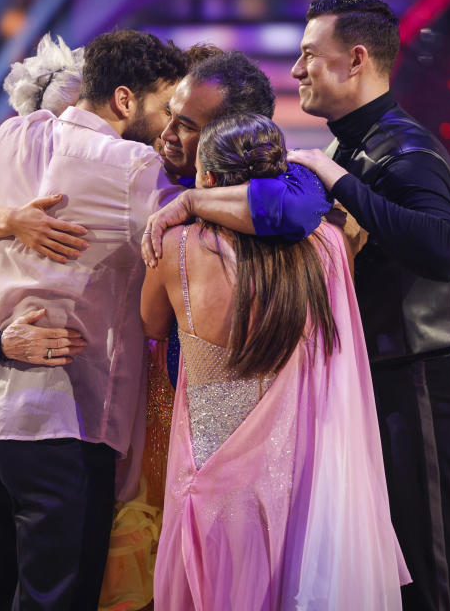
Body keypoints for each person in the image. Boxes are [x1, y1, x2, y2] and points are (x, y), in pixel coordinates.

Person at [0, 35, 330, 610]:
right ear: (125, 100)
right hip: (67, 421)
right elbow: (267, 208)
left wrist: (0, 218)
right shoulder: (136, 169)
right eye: (165, 110)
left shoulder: (15, 135)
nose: (166, 130)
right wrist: (304, 175)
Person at [141, 112, 408, 609]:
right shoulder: (327, 248)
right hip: (298, 484)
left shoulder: (174, 247)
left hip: (207, 476)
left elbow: (152, 327)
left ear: (210, 181)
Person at [285, 0, 450, 611]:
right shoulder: (355, 145)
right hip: (385, 390)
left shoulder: (405, 149)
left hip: (421, 390)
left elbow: (442, 247)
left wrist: (338, 180)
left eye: (309, 57)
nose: (296, 71)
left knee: (437, 580)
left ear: (356, 59)